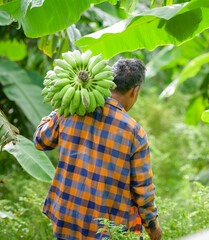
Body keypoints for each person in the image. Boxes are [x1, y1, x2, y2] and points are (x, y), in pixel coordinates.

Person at [33, 58, 162, 240]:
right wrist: (153, 227)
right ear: (135, 91)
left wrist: (60, 108)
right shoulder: (135, 133)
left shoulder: (72, 110)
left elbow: (40, 140)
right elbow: (143, 190)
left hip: (67, 218)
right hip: (106, 231)